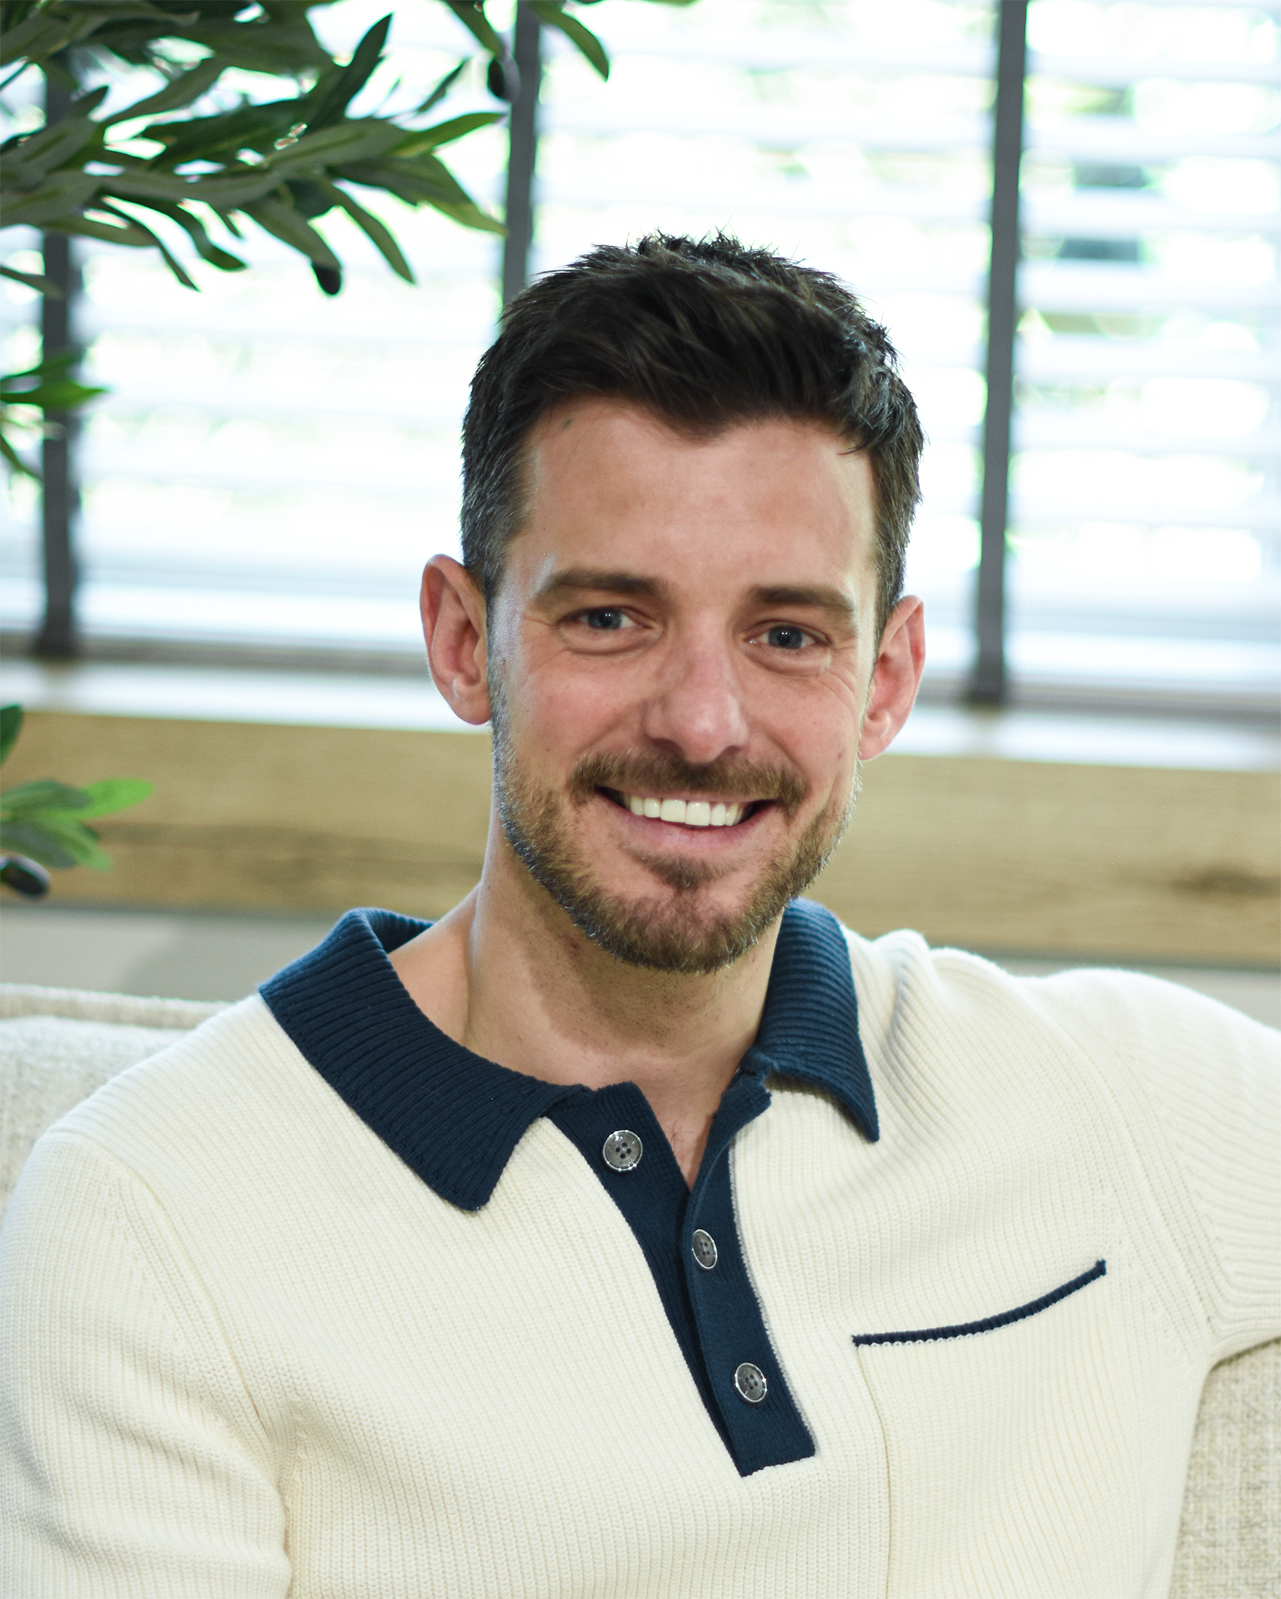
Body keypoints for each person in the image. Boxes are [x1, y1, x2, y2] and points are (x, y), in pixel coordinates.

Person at [1, 234, 1277, 1598]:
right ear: (462, 640)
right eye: (611, 618)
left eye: (787, 635)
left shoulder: (1127, 1098)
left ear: (886, 678)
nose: (701, 724)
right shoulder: (151, 1215)